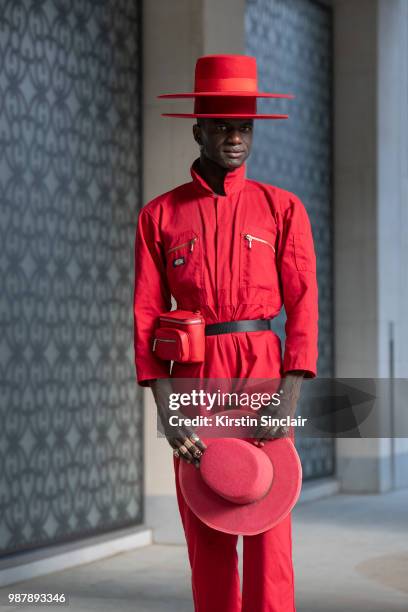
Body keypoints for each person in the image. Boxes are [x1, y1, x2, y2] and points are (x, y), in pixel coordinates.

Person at [133, 55, 318, 612]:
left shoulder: (281, 209)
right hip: (193, 373)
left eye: (243, 127)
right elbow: (146, 315)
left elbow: (304, 306)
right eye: (221, 126)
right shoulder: (160, 216)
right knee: (207, 517)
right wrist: (169, 413)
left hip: (262, 369)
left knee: (267, 522)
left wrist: (288, 398)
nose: (234, 138)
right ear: (198, 130)